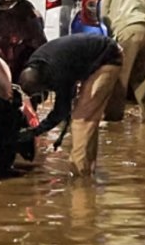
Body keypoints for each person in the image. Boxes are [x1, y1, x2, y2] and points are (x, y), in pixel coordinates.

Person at [16, 33, 124, 178]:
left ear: (44, 83)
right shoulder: (38, 63)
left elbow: (61, 110)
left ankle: (79, 174)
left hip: (107, 58)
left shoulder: (57, 71)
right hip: (98, 55)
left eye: (41, 91)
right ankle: (87, 170)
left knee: (82, 120)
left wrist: (36, 131)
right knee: (87, 117)